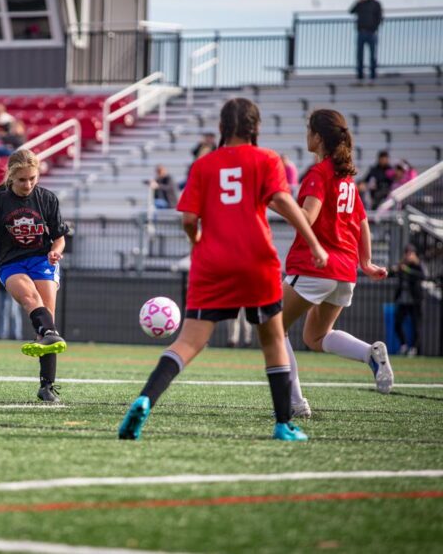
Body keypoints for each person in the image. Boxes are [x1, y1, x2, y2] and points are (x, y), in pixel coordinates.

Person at [119, 98, 328, 442]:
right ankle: (282, 424)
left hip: (211, 263)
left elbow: (188, 218)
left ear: (221, 128)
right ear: (255, 128)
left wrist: (197, 240)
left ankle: (145, 399)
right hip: (256, 260)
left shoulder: (204, 165)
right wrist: (314, 244)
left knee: (187, 342)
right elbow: (283, 202)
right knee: (273, 340)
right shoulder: (267, 159)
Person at [282, 109, 393, 420]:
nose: (306, 135)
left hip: (316, 266)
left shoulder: (319, 174)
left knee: (272, 328)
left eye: (308, 130)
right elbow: (361, 221)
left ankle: (295, 403)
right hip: (345, 273)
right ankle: (369, 353)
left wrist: (274, 200)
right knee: (314, 337)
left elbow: (307, 218)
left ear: (318, 138)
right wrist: (366, 262)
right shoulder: (345, 179)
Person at [0, 149, 69, 402]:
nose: (28, 184)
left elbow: (60, 238)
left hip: (42, 260)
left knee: (48, 322)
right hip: (11, 263)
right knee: (31, 299)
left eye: (32, 178)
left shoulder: (48, 199)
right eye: (22, 179)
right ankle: (46, 334)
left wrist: (55, 252)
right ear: (10, 176)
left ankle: (47, 386)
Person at [390, 244, 425, 357]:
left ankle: (414, 348)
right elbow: (391, 273)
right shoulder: (402, 265)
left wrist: (408, 269)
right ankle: (404, 345)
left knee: (416, 325)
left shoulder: (417, 265)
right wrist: (394, 269)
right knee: (397, 324)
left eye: (410, 253)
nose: (408, 256)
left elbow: (423, 276)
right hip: (403, 301)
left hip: (415, 301)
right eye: (407, 253)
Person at [350, 0, 383, 81]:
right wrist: (358, 1)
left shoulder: (376, 4)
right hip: (361, 32)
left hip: (371, 33)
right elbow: (351, 11)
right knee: (359, 55)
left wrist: (374, 28)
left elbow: (379, 17)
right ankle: (360, 74)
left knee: (373, 55)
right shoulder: (361, 3)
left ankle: (372, 74)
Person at [0, 273, 23, 340]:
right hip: (0, 287)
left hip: (13, 286)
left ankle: (16, 334)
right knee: (1, 312)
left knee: (13, 311)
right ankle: (1, 334)